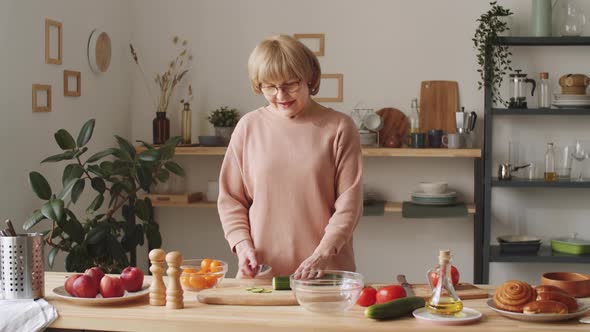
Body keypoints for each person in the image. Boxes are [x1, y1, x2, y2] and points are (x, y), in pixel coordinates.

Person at [217, 35, 362, 280]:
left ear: (310, 79)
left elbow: (349, 206)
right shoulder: (248, 127)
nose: (280, 95)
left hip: (324, 272)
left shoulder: (339, 128)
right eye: (269, 86)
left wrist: (322, 255)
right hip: (262, 273)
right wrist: (242, 246)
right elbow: (231, 199)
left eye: (290, 84)